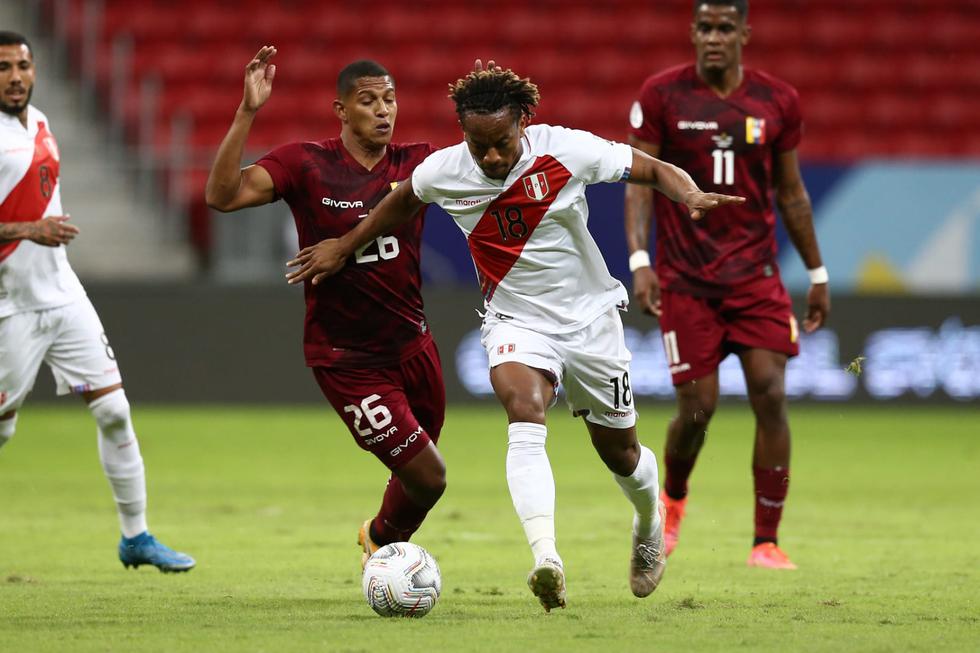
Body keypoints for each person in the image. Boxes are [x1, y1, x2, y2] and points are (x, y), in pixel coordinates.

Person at [285, 61, 743, 611]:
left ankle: (649, 518)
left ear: (523, 123)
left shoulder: (566, 149)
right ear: (463, 134)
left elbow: (648, 168)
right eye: (479, 146)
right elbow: (402, 201)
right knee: (523, 412)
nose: (491, 157)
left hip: (590, 319)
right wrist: (344, 245)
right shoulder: (445, 170)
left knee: (620, 453)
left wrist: (688, 193)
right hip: (515, 320)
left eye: (501, 144)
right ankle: (547, 559)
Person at [205, 48, 447, 567]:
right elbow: (222, 195)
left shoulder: (419, 163)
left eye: (389, 99)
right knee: (430, 476)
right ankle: (383, 548)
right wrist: (247, 111)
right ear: (341, 110)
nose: (383, 110)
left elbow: (491, 171)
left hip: (414, 346)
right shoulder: (305, 163)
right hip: (348, 360)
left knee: (417, 477)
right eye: (368, 101)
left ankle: (379, 539)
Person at [624, 0, 830, 570]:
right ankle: (672, 500)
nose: (714, 37)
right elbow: (640, 182)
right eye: (705, 28)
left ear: (744, 33)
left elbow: (791, 192)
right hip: (686, 280)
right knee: (698, 408)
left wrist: (817, 272)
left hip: (755, 279)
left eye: (724, 28)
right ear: (693, 33)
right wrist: (640, 260)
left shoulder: (777, 100)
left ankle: (766, 540)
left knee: (771, 391)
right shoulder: (662, 95)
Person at [0, 31, 194, 572]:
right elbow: (28, 220)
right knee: (4, 429)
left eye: (22, 66)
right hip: (10, 304)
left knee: (113, 410)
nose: (15, 77)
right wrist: (28, 229)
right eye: (3, 67)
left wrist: (41, 233)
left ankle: (137, 537)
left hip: (62, 294)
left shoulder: (39, 121)